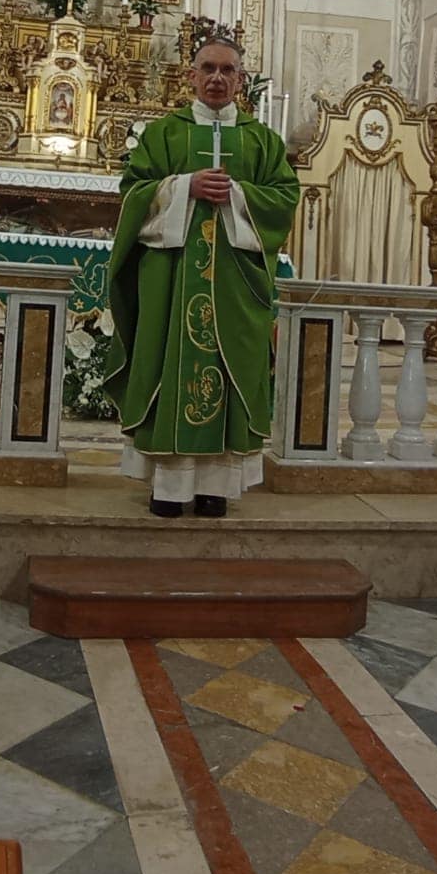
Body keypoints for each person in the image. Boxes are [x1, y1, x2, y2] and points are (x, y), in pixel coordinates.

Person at [103, 33, 299, 517]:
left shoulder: (261, 140)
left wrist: (236, 195)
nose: (216, 78)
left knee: (234, 373)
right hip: (170, 279)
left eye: (226, 70)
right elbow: (131, 193)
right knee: (165, 365)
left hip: (235, 283)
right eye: (207, 68)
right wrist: (182, 187)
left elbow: (285, 200)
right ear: (189, 76)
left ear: (241, 80)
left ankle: (216, 486)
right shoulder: (163, 134)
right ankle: (167, 487)